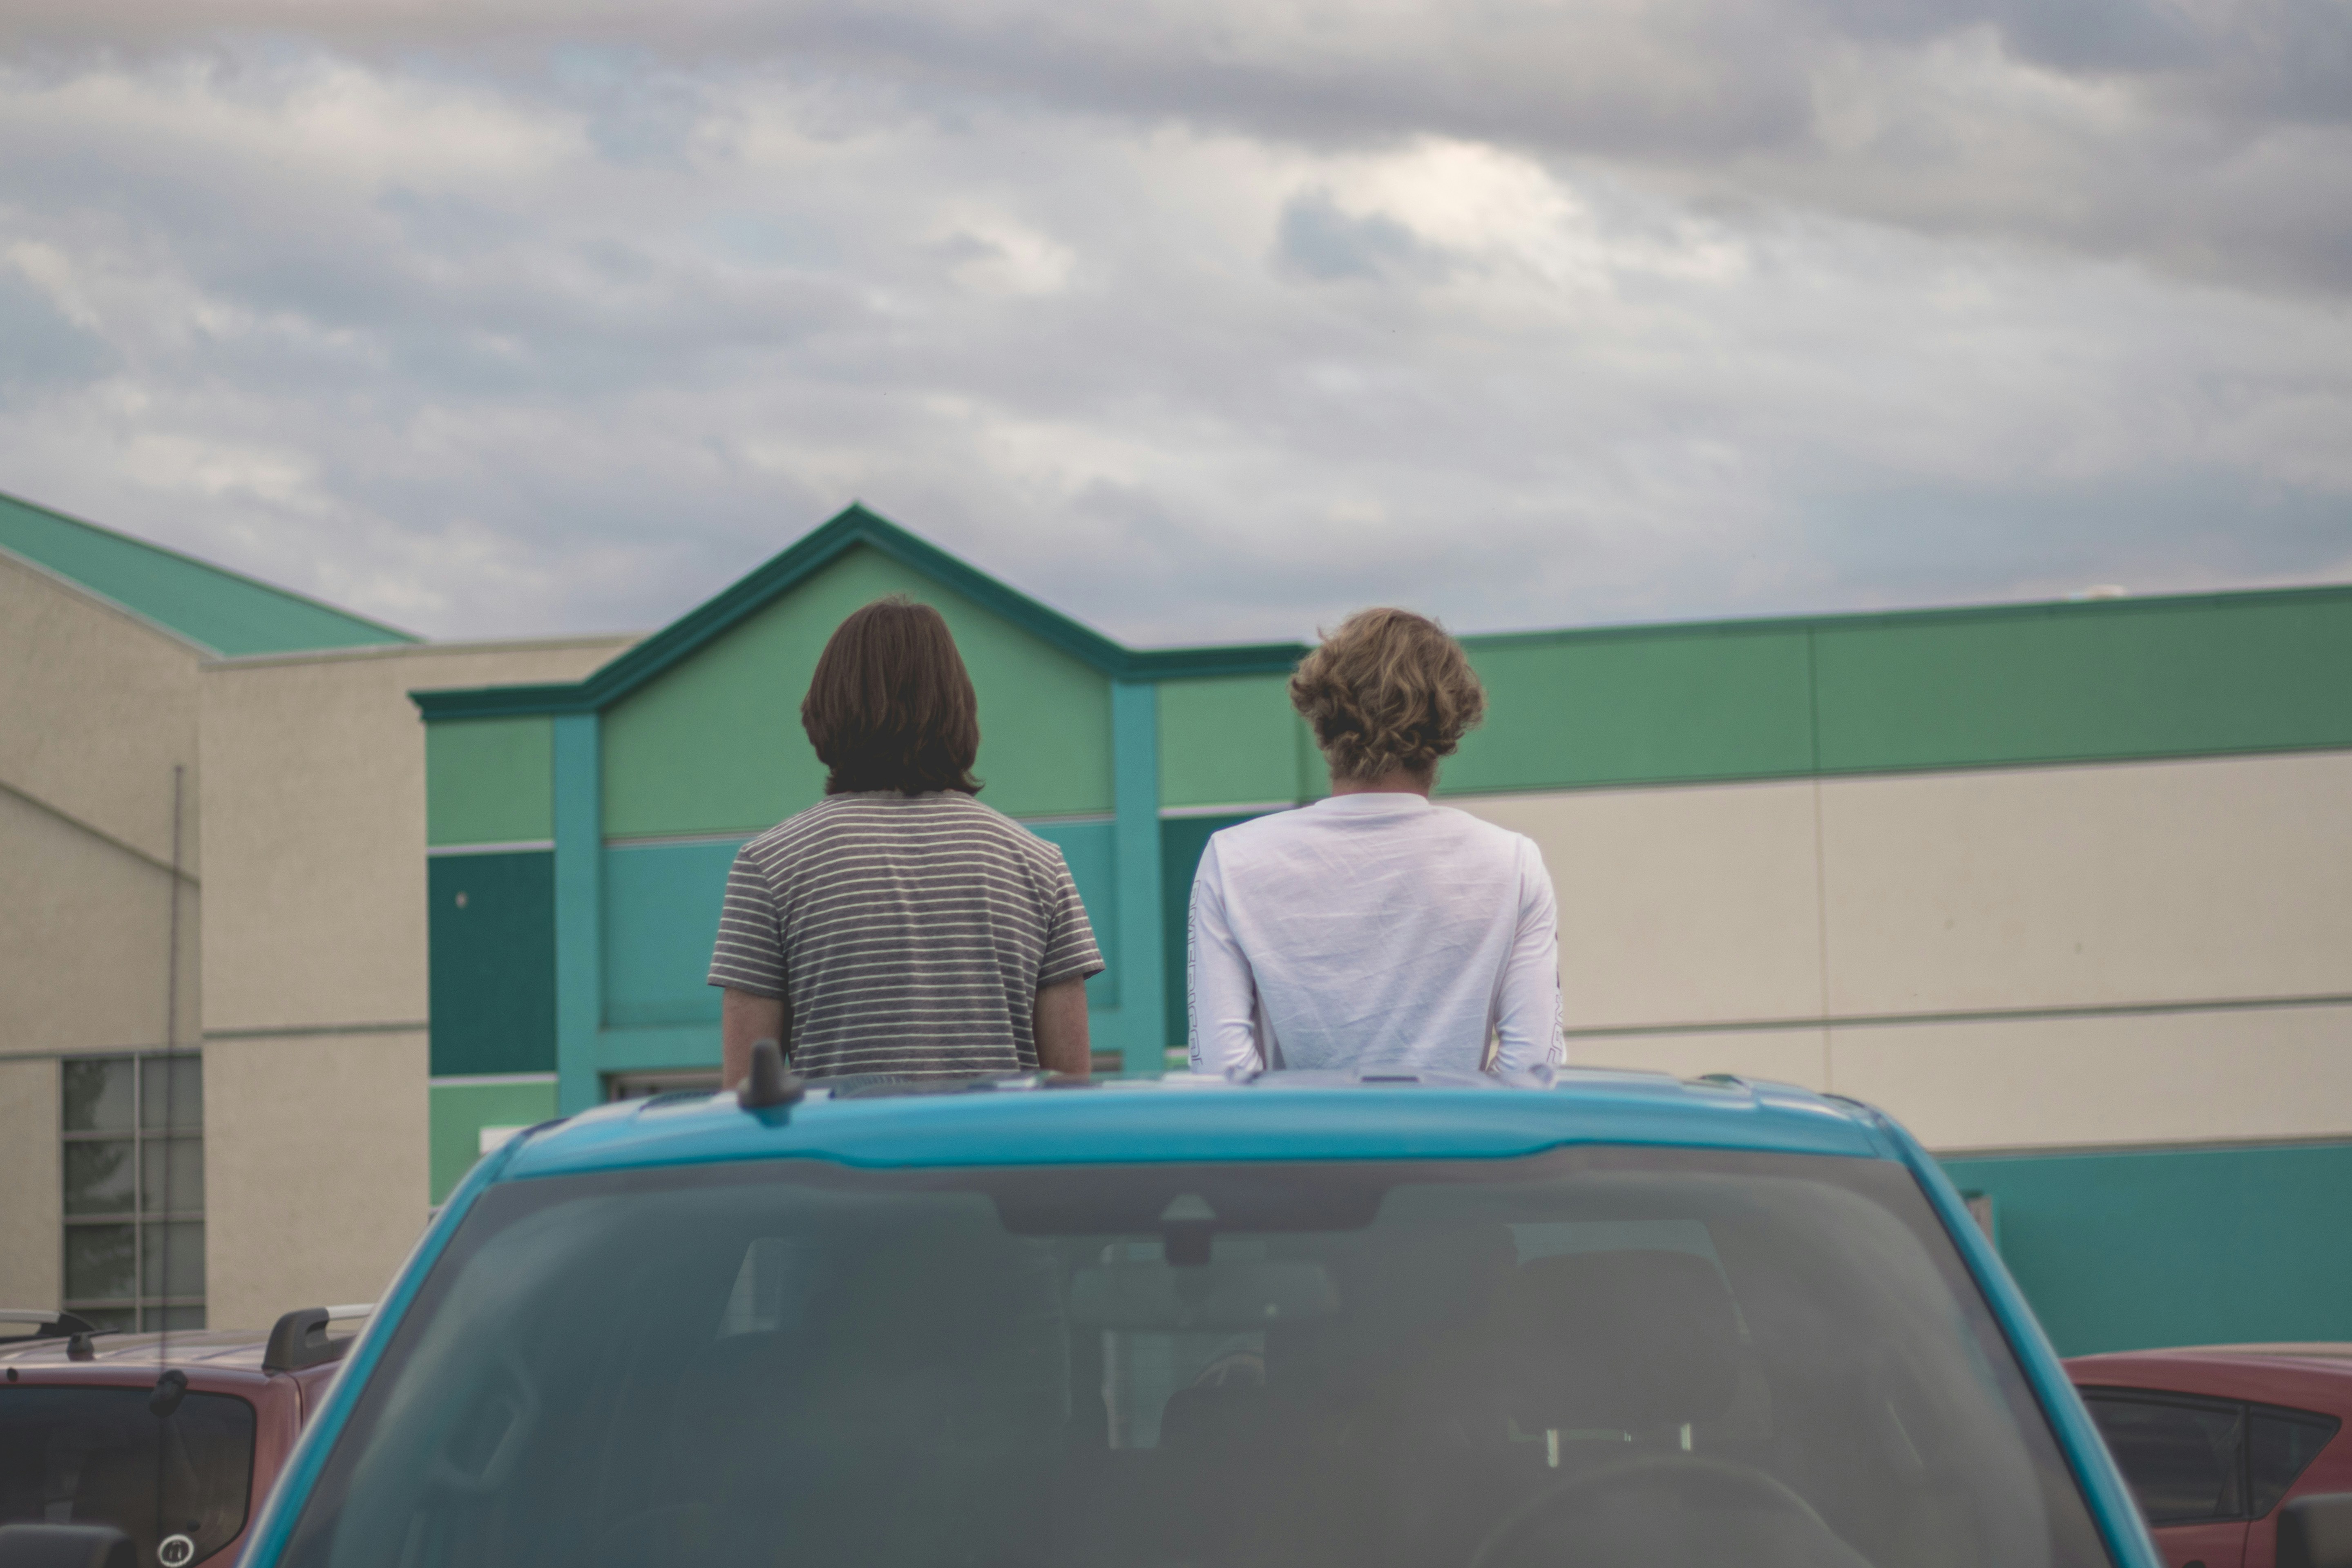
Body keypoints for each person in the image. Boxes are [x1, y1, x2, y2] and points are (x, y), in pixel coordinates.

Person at [708, 596, 1103, 1083]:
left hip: (836, 1159)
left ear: (827, 707)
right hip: (997, 1160)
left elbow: (747, 1100)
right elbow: (1071, 1095)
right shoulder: (1040, 865)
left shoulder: (770, 866)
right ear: (958, 704)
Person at [1187, 607, 1564, 1077]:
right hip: (1457, 1148)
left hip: (1295, 1149)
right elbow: (1533, 1068)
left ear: (1324, 715)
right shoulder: (1512, 863)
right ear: (1451, 723)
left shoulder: (1232, 859)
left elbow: (1221, 1072)